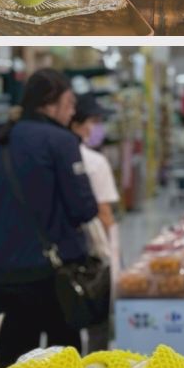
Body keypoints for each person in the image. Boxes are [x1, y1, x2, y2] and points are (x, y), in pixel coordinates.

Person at [0, 68, 100, 368]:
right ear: (50, 102)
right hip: (52, 275)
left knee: (14, 367)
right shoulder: (61, 141)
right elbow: (83, 208)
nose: (73, 112)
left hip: (3, 275)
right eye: (70, 103)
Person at [70, 95, 120, 354]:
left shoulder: (52, 157)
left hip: (65, 256)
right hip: (94, 256)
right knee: (98, 324)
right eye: (93, 121)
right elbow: (105, 213)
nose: (96, 128)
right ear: (78, 124)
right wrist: (113, 253)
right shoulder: (95, 162)